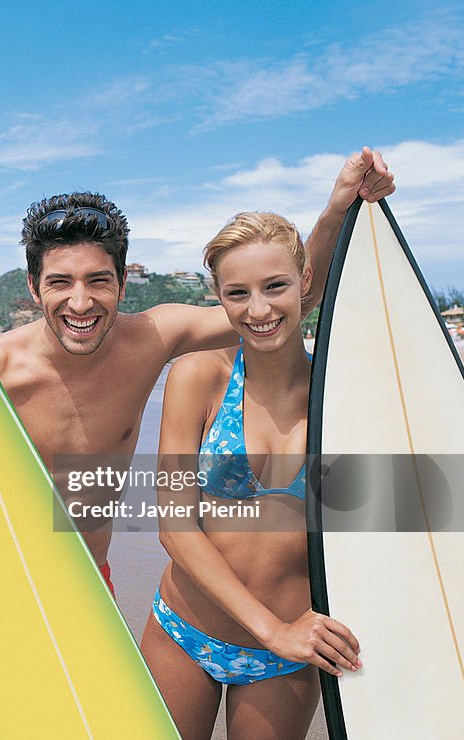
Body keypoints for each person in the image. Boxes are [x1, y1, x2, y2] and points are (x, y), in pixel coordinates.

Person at [0, 149, 394, 740]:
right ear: (32, 287)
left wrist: (335, 208)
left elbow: (280, 302)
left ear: (123, 282)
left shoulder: (153, 339)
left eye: (98, 281)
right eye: (59, 283)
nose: (80, 302)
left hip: (88, 588)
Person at [139, 212, 362, 740]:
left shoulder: (341, 395)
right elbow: (175, 526)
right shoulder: (199, 376)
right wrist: (273, 628)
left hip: (287, 657)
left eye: (275, 286)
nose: (258, 309)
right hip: (185, 632)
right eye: (237, 293)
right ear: (219, 297)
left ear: (304, 283)